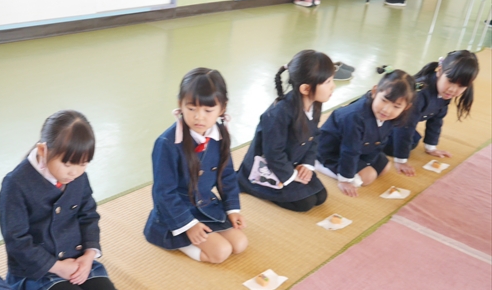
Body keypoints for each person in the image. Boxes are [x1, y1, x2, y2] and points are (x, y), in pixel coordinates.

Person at [0, 110, 118, 290]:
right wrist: (58, 267)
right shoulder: (15, 184)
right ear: (43, 150)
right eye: (67, 164)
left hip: (75, 258)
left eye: (83, 164)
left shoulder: (78, 176)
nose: (74, 172)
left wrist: (88, 256)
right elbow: (17, 241)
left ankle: (69, 281)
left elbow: (88, 214)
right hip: (37, 268)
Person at [144, 68, 248, 263]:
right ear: (180, 105)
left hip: (206, 205)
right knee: (220, 252)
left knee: (240, 243)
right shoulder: (166, 143)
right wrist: (188, 225)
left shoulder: (220, 134)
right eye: (191, 109)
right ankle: (179, 241)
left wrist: (232, 209)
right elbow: (163, 192)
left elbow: (226, 175)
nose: (199, 117)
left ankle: (200, 234)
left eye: (208, 111)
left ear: (222, 108)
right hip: (175, 212)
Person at [238, 50, 335, 212]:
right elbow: (273, 153)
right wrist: (292, 175)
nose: (333, 86)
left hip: (293, 161)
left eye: (332, 80)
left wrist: (307, 164)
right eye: (327, 82)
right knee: (306, 203)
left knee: (320, 196)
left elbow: (315, 136)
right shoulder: (278, 114)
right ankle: (251, 186)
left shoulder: (315, 104)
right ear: (305, 88)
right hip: (269, 166)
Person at [315, 68, 416, 197]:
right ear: (374, 92)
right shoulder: (355, 117)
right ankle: (319, 164)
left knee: (385, 167)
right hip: (332, 150)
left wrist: (367, 161)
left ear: (406, 107)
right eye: (384, 100)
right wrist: (345, 179)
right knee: (368, 177)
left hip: (362, 148)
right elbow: (349, 150)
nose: (387, 110)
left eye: (396, 106)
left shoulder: (391, 116)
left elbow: (381, 140)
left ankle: (352, 168)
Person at [384, 50, 479, 176]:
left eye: (461, 86)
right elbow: (405, 126)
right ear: (439, 71)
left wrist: (431, 147)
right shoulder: (420, 93)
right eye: (450, 81)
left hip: (397, 122)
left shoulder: (444, 92)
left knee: (413, 140)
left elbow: (436, 119)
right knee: (399, 143)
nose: (453, 89)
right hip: (379, 121)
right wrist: (401, 160)